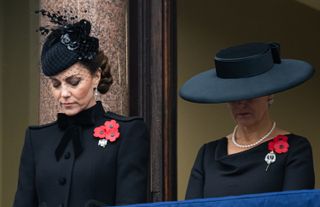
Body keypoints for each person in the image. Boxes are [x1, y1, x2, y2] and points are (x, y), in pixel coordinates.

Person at [14, 12, 149, 207]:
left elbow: (131, 202)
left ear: (96, 77)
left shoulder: (129, 133)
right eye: (56, 84)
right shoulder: (36, 140)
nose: (64, 93)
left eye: (73, 82)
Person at [179, 42, 315, 199]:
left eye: (251, 94)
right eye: (233, 96)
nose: (241, 103)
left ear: (269, 94)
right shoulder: (208, 154)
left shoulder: (295, 149)